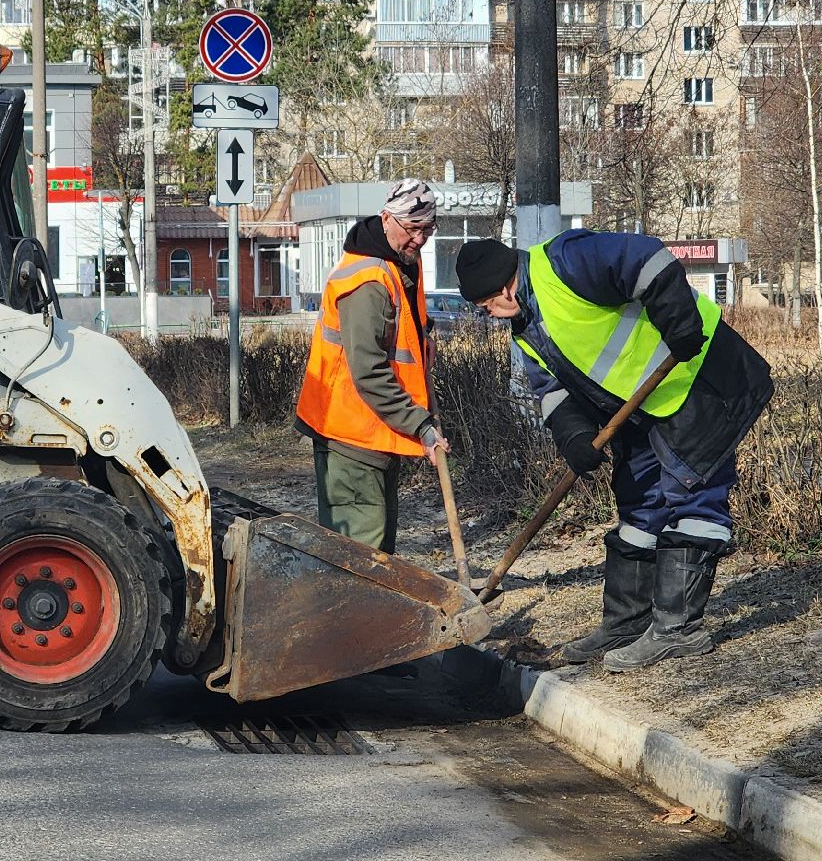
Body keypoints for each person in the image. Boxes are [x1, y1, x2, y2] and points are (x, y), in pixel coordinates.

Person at [454, 232, 772, 671]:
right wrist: (574, 438)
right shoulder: (525, 328)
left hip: (700, 377)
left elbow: (645, 257)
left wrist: (678, 320)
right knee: (639, 505)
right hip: (642, 407)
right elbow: (552, 391)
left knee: (693, 496)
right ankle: (627, 621)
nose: (488, 314)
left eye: (486, 304)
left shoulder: (565, 261)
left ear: (503, 287)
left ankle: (678, 631)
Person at [294, 179, 449, 552]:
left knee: (375, 552)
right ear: (386, 219)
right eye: (412, 229)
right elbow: (369, 372)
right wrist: (421, 426)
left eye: (427, 230)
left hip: (372, 430)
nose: (419, 239)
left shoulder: (398, 265)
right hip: (349, 435)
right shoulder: (368, 282)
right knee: (360, 558)